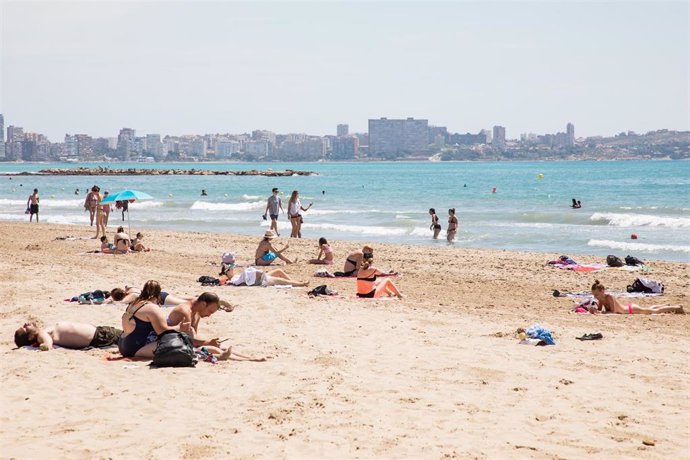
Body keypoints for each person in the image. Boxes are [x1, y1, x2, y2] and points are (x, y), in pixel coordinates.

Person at [117, 280, 192, 358]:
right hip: (135, 348)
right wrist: (179, 328)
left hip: (123, 345)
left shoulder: (133, 304)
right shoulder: (151, 308)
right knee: (179, 341)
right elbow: (162, 332)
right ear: (158, 294)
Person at [590, 280, 684, 315]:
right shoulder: (601, 299)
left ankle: (677, 308)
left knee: (654, 312)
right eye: (594, 295)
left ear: (602, 290)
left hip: (630, 309)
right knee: (649, 309)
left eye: (597, 294)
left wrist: (601, 313)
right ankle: (664, 305)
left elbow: (613, 311)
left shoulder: (609, 297)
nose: (595, 297)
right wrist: (595, 310)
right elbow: (600, 309)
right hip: (629, 308)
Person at [14, 320, 122, 350]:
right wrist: (45, 345)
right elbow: (48, 343)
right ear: (30, 337)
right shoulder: (42, 334)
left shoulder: (44, 331)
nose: (26, 324)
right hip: (101, 336)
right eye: (25, 328)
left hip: (100, 333)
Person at [230, 266, 308, 287]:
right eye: (230, 268)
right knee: (280, 280)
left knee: (278, 271)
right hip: (261, 280)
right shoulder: (233, 280)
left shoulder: (235, 277)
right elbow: (243, 283)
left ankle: (295, 282)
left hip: (262, 276)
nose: (232, 268)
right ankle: (302, 284)